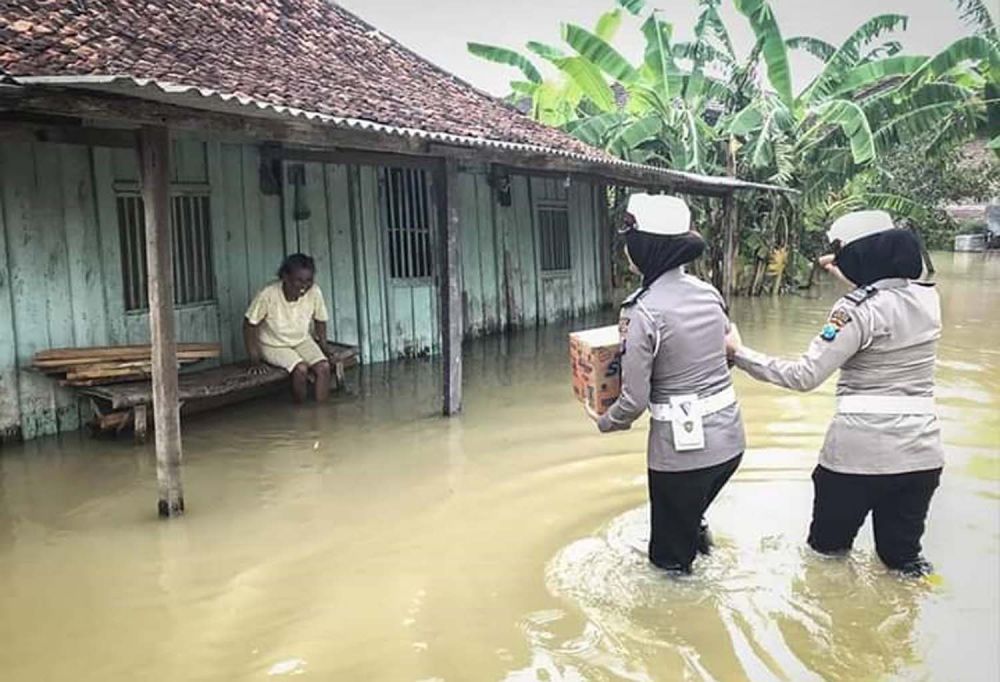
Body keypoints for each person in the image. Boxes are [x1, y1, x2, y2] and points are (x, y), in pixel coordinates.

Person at [726, 210, 943, 577]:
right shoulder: (928, 300)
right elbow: (883, 290)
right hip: (922, 457)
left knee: (827, 556)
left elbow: (804, 375)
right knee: (902, 562)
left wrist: (738, 353)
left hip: (856, 459)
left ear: (860, 259)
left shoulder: (854, 311)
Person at [586, 194, 746, 575]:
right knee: (691, 519)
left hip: (681, 455)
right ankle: (698, 539)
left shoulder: (642, 311)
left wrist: (606, 421)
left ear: (641, 248)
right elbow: (728, 350)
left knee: (668, 567)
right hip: (730, 445)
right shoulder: (709, 294)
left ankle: (684, 626)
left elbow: (635, 399)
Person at [244, 253, 333, 403]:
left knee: (324, 367)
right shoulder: (268, 294)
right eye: (299, 281)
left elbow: (320, 320)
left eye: (309, 281)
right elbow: (249, 324)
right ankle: (301, 413)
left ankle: (321, 415)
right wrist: (254, 359)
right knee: (301, 369)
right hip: (273, 344)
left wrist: (323, 346)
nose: (304, 286)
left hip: (301, 340)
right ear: (285, 277)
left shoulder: (315, 292)